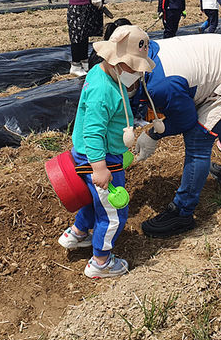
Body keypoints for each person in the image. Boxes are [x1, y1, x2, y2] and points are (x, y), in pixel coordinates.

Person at [132, 34, 221, 237]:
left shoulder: (161, 84)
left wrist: (153, 134)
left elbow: (185, 121)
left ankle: (182, 212)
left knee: (198, 136)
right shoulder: (148, 52)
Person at [57, 25, 156, 278]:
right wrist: (100, 167)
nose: (136, 73)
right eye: (133, 67)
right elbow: (92, 132)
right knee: (114, 213)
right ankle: (101, 262)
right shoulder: (104, 91)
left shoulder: (100, 74)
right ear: (117, 62)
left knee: (93, 200)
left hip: (95, 155)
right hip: (99, 159)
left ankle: (78, 234)